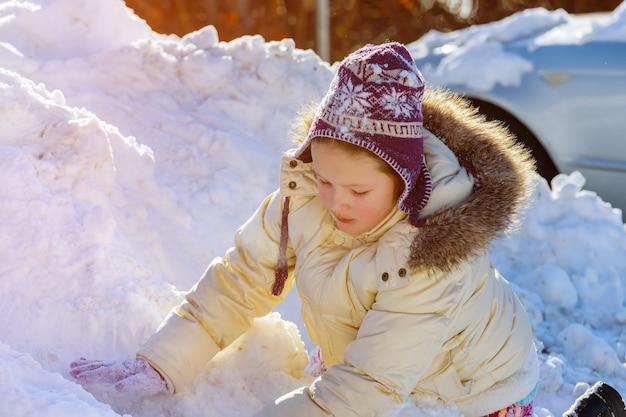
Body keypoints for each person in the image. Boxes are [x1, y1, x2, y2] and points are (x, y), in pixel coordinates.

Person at [69, 42, 624, 417]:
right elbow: (242, 279)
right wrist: (164, 358)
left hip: (472, 389)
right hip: (382, 359)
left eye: (359, 191)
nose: (336, 202)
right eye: (327, 179)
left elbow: (366, 390)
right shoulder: (307, 194)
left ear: (405, 181)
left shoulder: (432, 253)